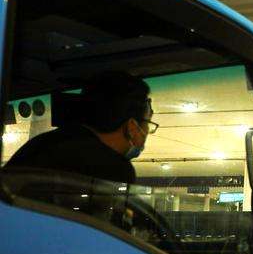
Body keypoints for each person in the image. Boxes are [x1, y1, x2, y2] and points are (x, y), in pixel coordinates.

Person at [4, 71, 157, 184]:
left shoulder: (41, 144)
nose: (147, 132)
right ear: (132, 127)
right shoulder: (112, 167)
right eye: (148, 123)